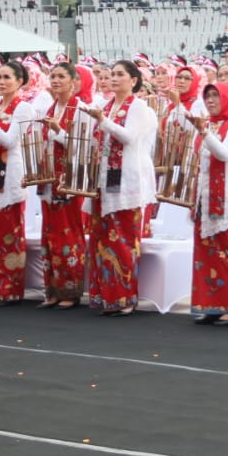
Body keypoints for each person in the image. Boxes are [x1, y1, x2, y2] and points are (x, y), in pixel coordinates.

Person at [85, 61, 159, 316]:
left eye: (120, 75)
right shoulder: (107, 106)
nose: (114, 79)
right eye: (112, 74)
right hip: (104, 178)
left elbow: (128, 138)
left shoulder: (139, 108)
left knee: (123, 239)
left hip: (127, 179)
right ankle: (106, 295)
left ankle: (125, 296)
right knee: (102, 239)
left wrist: (103, 120)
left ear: (134, 81)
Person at [0, 60, 39, 306]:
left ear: (20, 81)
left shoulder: (23, 108)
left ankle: (9, 289)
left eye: (7, 78)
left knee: (7, 233)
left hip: (9, 176)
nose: (1, 82)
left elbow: (11, 141)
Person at [190, 81, 228, 325]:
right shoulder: (210, 125)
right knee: (206, 255)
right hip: (206, 198)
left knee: (227, 253)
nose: (211, 100)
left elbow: (224, 154)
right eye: (208, 96)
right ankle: (210, 305)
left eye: (216, 96)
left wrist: (204, 132)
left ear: (227, 98)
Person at [36, 64, 92, 308]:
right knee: (49, 234)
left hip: (69, 180)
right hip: (49, 179)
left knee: (68, 232)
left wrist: (58, 131)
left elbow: (81, 147)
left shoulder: (80, 109)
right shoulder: (52, 108)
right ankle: (53, 289)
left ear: (74, 82)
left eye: (61, 76)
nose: (56, 80)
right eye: (53, 76)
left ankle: (70, 290)